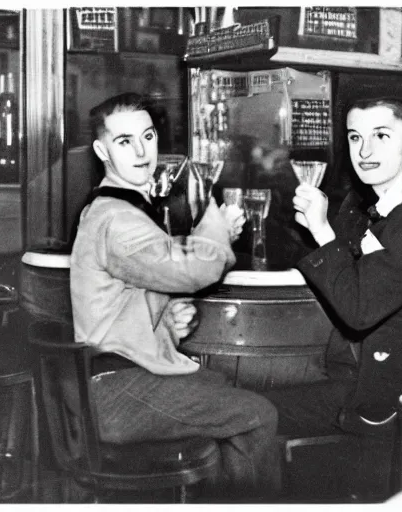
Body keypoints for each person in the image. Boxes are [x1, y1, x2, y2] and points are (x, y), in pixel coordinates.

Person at [69, 92, 281, 501]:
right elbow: (192, 269)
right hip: (118, 391)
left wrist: (165, 319)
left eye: (147, 136)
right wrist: (215, 222)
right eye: (124, 141)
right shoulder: (117, 218)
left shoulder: (116, 210)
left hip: (112, 382)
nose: (141, 150)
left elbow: (134, 288)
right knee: (257, 416)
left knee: (219, 393)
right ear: (102, 151)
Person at [265, 97, 402, 438]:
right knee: (238, 401)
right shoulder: (368, 207)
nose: (364, 151)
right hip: (364, 375)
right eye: (355, 137)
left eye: (380, 136)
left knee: (248, 413)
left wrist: (323, 231)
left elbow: (359, 309)